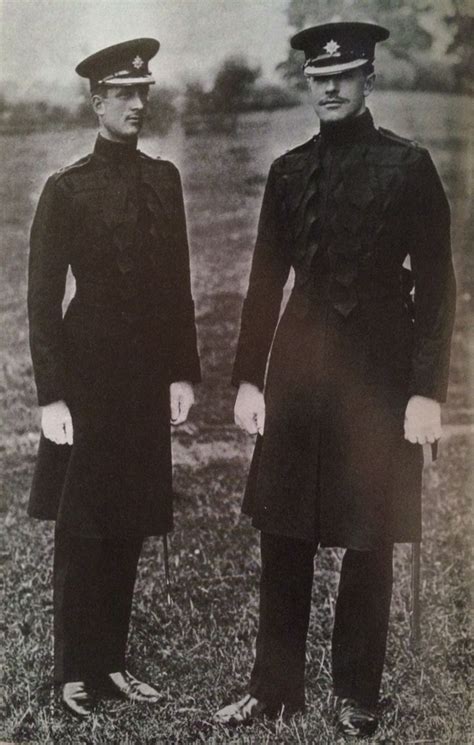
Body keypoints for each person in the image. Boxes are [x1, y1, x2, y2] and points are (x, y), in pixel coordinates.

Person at [215, 21, 456, 737]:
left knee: (367, 534)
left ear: (367, 76)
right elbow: (264, 283)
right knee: (282, 531)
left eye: (343, 74)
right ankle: (274, 685)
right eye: (318, 77)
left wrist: (424, 392)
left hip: (378, 375)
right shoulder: (289, 172)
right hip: (296, 370)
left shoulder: (409, 167)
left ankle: (357, 692)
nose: (328, 86)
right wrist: (249, 379)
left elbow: (438, 288)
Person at [27, 38, 201, 717]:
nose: (136, 103)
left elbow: (178, 286)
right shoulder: (65, 189)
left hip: (144, 378)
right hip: (86, 378)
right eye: (123, 94)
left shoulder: (165, 180)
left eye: (143, 93)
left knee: (127, 519)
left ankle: (114, 663)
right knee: (83, 526)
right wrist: (51, 396)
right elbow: (42, 301)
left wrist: (182, 371)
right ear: (97, 101)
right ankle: (77, 670)